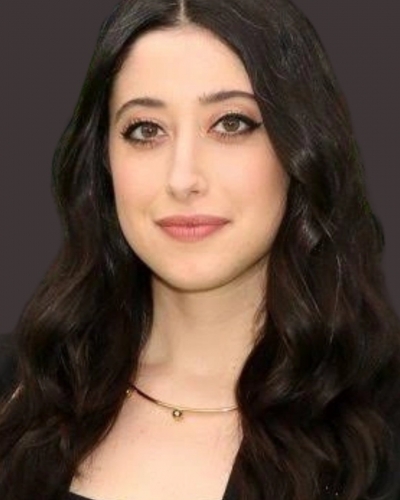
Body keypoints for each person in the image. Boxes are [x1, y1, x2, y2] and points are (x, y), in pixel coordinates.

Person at [1, 0, 400, 499]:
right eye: (146, 130)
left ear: (301, 149)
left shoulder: (381, 423)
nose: (182, 178)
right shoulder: (18, 391)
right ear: (103, 161)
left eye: (231, 124)